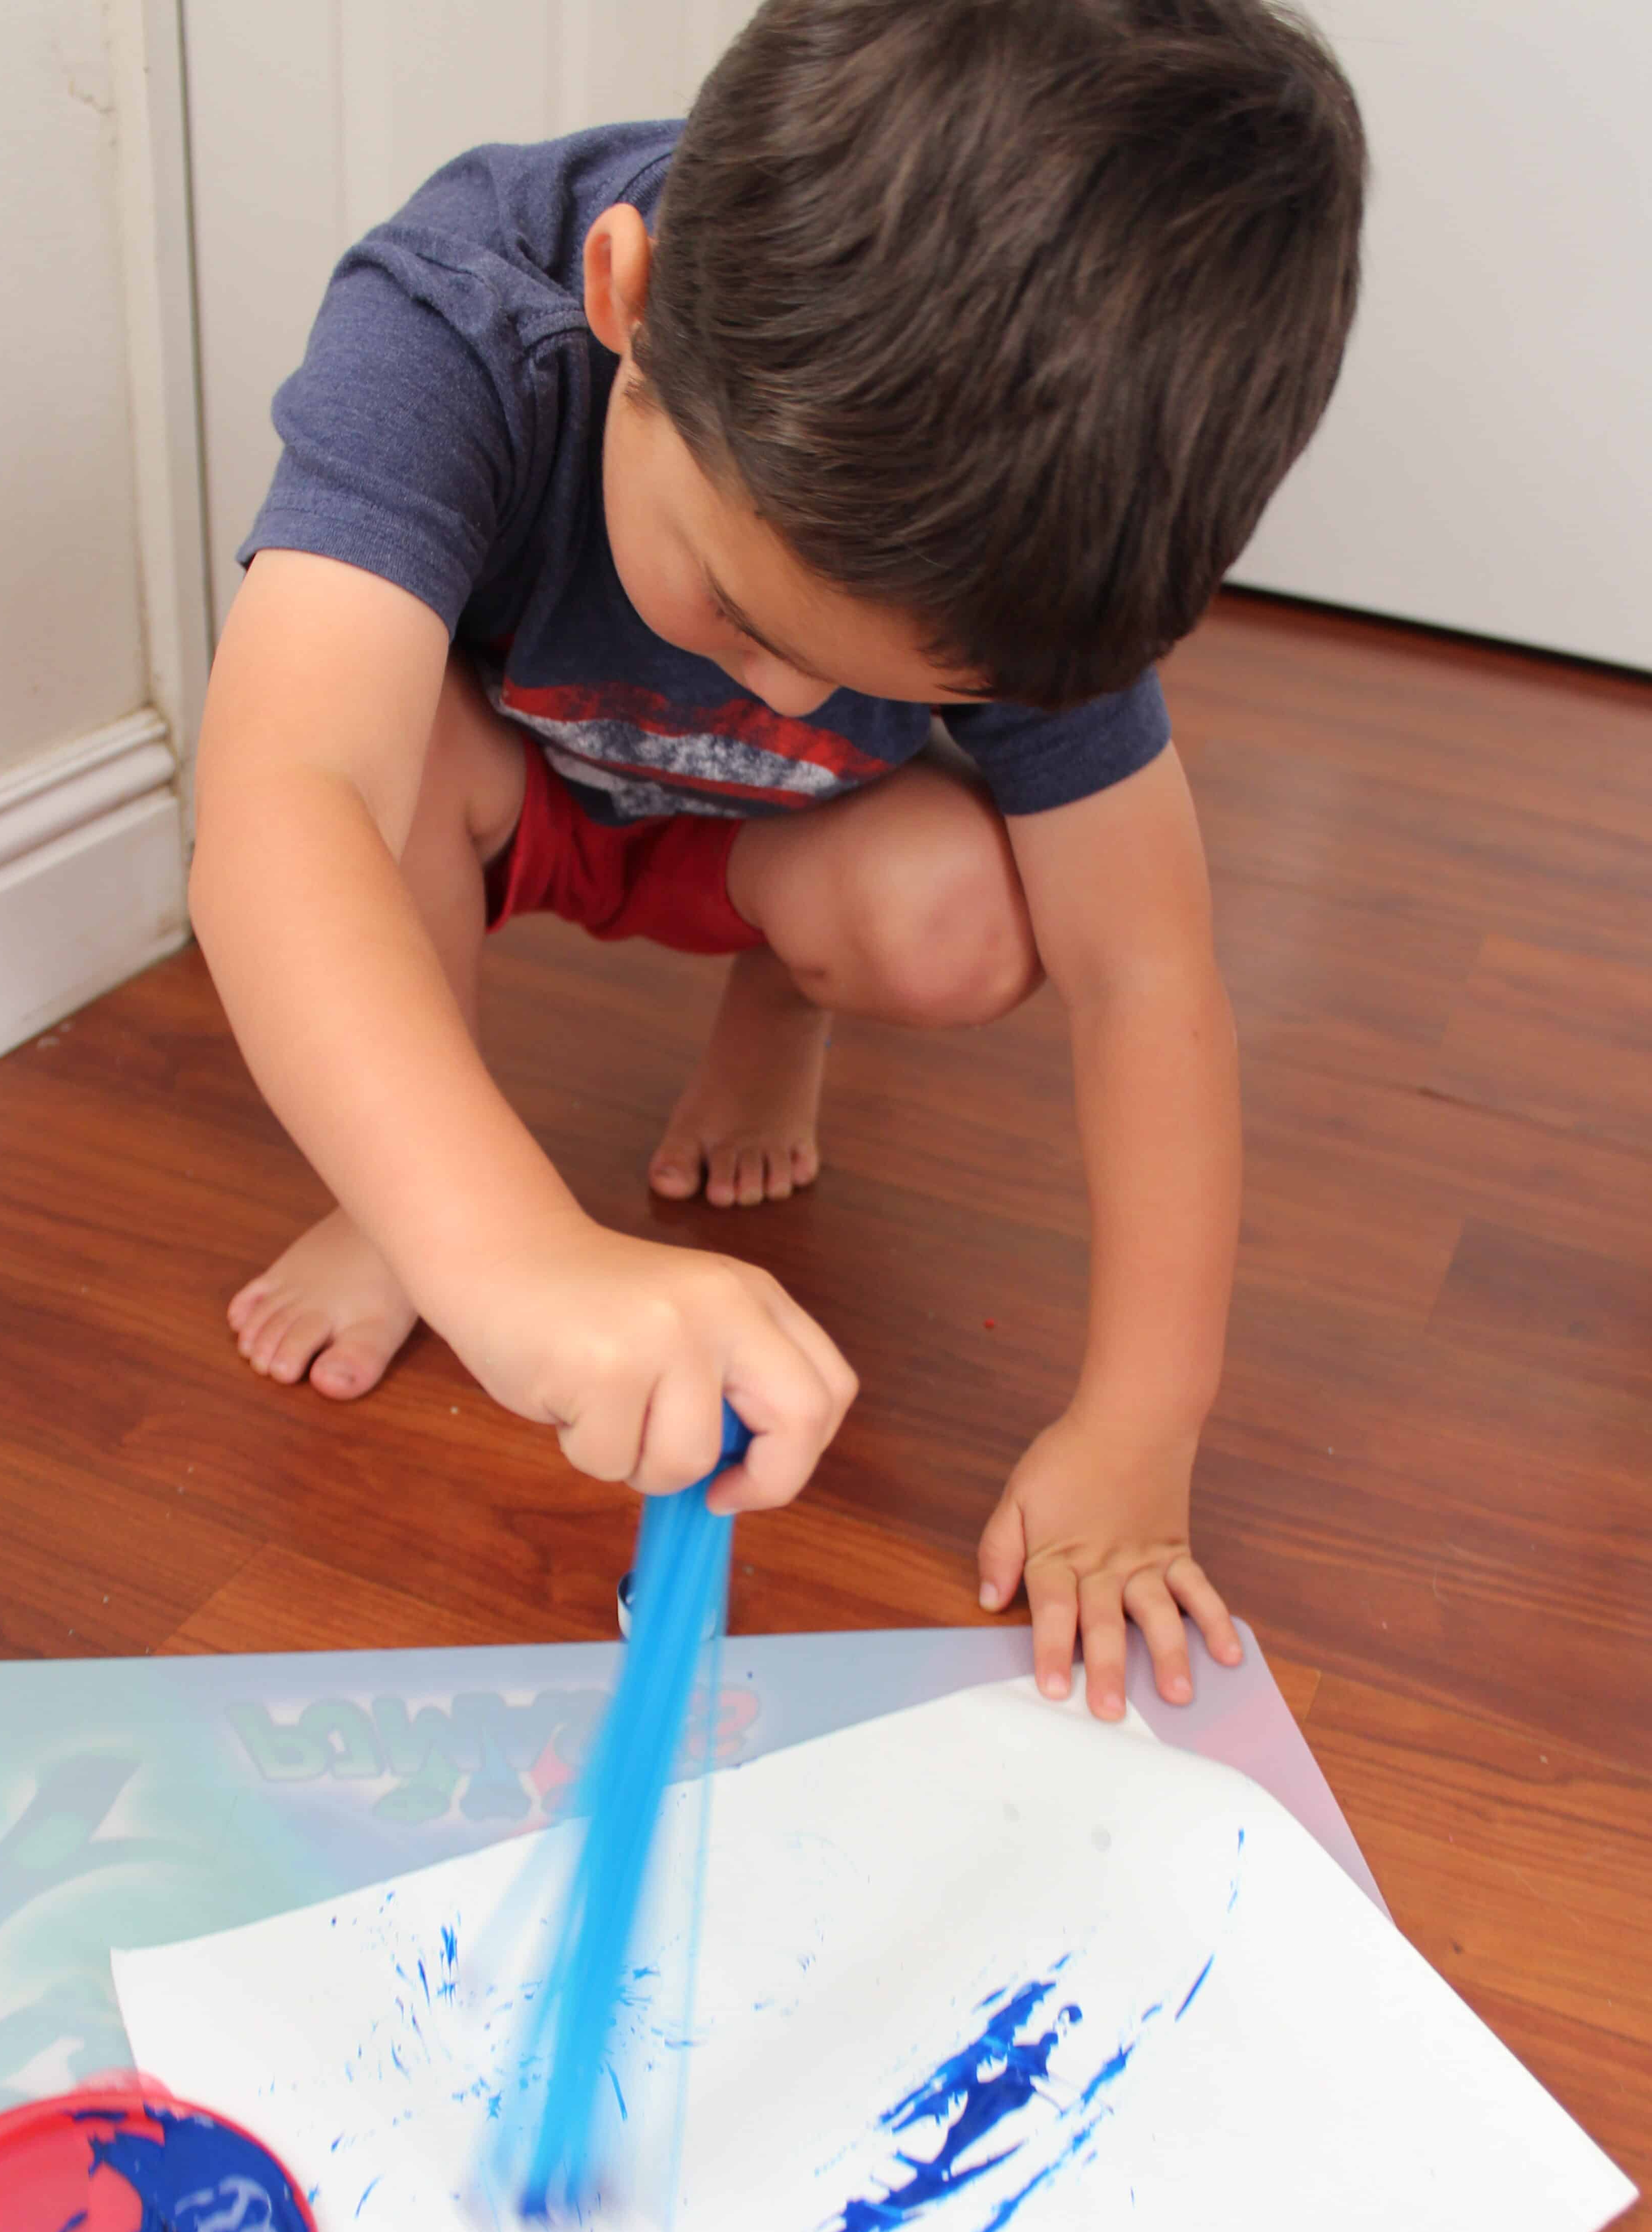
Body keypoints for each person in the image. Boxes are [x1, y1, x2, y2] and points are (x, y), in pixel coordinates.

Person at [190, 0, 1366, 1719]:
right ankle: (394, 1200)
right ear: (627, 299)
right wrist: (508, 1251)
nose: (789, 692)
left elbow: (1144, 966)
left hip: (776, 853)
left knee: (965, 916)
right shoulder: (453, 316)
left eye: (887, 685)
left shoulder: (1030, 515)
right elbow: (283, 798)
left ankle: (776, 1012)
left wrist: (1141, 1421)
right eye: (738, 611)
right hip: (504, 787)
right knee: (372, 774)